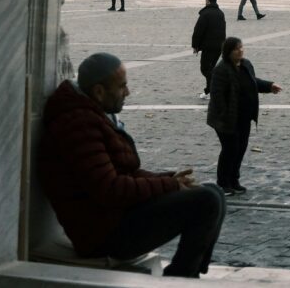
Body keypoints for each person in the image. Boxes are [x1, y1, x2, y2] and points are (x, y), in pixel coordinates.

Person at [38, 51, 225, 277]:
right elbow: (110, 189)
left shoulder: (92, 115)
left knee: (213, 191)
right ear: (99, 91)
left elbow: (125, 173)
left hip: (115, 216)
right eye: (121, 87)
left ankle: (191, 271)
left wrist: (168, 178)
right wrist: (169, 186)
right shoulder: (78, 126)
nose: (127, 92)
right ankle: (181, 277)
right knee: (206, 200)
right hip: (103, 234)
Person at [207, 36, 280, 194]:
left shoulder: (246, 64)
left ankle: (234, 180)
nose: (240, 50)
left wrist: (269, 86)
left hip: (244, 117)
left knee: (240, 148)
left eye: (241, 47)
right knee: (230, 149)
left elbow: (253, 82)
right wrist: (226, 117)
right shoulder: (221, 69)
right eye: (236, 48)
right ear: (228, 52)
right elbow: (217, 96)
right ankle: (223, 183)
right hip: (226, 118)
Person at [192, 0, 226, 98]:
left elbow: (198, 30)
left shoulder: (205, 14)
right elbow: (223, 30)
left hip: (208, 46)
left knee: (205, 69)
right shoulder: (220, 13)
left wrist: (195, 46)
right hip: (219, 46)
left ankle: (217, 87)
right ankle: (208, 91)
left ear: (207, 0)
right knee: (211, 68)